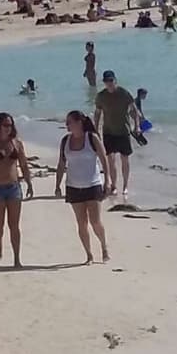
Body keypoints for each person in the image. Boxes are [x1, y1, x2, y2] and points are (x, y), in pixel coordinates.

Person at [54, 110, 112, 264]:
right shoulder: (65, 140)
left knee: (95, 221)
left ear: (79, 122)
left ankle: (104, 247)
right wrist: (57, 185)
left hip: (92, 185)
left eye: (69, 122)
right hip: (73, 186)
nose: (66, 125)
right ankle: (89, 255)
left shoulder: (92, 138)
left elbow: (104, 159)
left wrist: (108, 181)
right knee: (81, 222)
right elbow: (61, 164)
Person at [0, 113, 34, 268]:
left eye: (10, 125)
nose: (8, 128)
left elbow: (23, 164)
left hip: (14, 188)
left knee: (14, 225)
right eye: (5, 125)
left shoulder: (17, 143)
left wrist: (29, 183)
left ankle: (17, 259)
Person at [93, 71, 139, 197]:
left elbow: (134, 110)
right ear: (104, 82)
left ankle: (125, 186)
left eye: (111, 81)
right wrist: (95, 129)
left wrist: (137, 126)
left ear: (115, 81)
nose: (109, 84)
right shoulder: (101, 96)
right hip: (108, 131)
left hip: (123, 131)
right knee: (110, 160)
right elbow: (97, 113)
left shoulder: (124, 94)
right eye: (107, 81)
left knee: (125, 159)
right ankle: (113, 185)